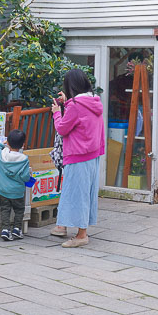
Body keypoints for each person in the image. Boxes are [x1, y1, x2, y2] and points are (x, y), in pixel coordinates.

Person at [49, 68, 105, 248]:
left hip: (77, 154)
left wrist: (57, 112)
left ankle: (81, 235)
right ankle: (62, 226)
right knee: (82, 193)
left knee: (75, 194)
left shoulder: (75, 106)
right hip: (92, 154)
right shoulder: (94, 101)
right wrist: (67, 103)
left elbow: (62, 128)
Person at [0, 129, 32, 242]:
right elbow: (25, 177)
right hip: (17, 192)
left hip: (3, 190)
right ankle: (17, 229)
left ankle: (5, 230)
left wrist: (2, 143)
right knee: (19, 210)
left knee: (5, 209)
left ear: (8, 143)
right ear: (22, 145)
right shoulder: (24, 159)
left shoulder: (0, 155)